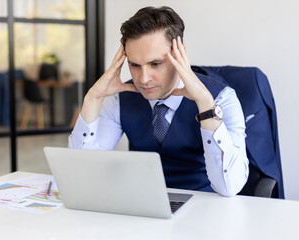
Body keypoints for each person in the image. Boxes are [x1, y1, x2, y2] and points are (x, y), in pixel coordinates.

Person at [69, 6, 249, 196]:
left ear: (180, 54)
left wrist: (205, 106)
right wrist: (92, 98)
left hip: (203, 205)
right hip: (142, 204)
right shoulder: (119, 100)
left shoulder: (222, 98)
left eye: (155, 64)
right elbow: (80, 175)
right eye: (135, 65)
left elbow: (229, 187)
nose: (144, 78)